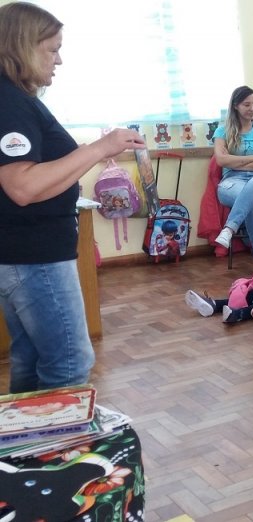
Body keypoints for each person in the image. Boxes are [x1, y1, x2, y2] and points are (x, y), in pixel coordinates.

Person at [0, 2, 146, 393]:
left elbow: (33, 172)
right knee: (69, 361)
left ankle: (24, 452)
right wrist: (99, 148)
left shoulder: (14, 99)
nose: (59, 60)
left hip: (25, 255)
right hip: (35, 258)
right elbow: (22, 187)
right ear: (21, 46)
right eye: (52, 48)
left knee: (31, 358)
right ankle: (54, 452)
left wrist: (82, 152)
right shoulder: (9, 101)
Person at [212, 85, 253, 274]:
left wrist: (236, 162)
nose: (252, 109)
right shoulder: (222, 131)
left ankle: (228, 229)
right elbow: (221, 160)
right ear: (235, 106)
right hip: (231, 183)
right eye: (247, 104)